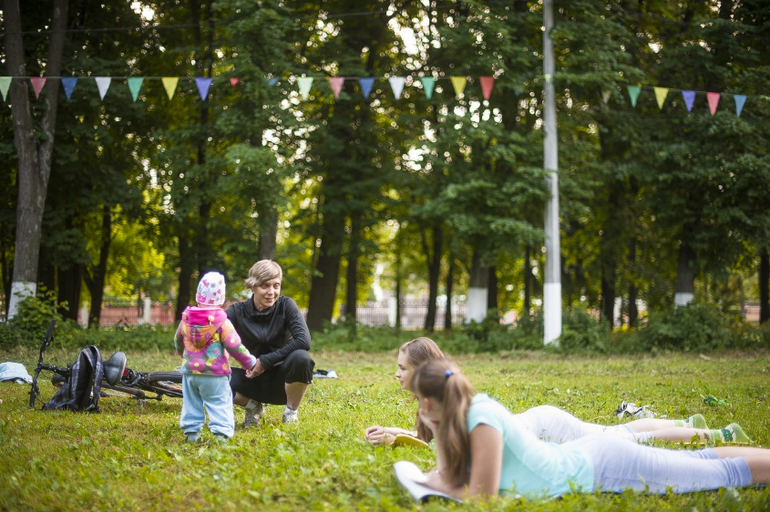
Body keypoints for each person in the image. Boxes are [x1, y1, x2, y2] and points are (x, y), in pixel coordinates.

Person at [411, 358, 770, 501]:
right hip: (592, 457)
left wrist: (427, 483)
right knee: (707, 462)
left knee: (719, 472)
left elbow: (481, 497)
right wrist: (433, 431)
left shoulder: (482, 419)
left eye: (418, 403)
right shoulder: (471, 412)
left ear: (427, 402)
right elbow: (450, 473)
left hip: (605, 465)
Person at [365, 337, 749, 446]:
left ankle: (717, 434)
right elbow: (428, 441)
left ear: (420, 369)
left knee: (626, 437)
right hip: (539, 422)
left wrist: (397, 440)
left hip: (548, 429)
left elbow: (443, 449)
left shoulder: (445, 398)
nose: (395, 374)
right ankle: (686, 421)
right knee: (620, 433)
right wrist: (393, 432)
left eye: (401, 368)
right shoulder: (434, 399)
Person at [226, 259, 314, 426]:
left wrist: (265, 361)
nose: (271, 292)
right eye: (265, 286)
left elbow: (304, 340)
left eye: (276, 285)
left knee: (302, 358)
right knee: (213, 375)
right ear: (252, 286)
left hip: (284, 380)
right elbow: (214, 332)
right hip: (251, 378)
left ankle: (291, 412)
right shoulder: (237, 312)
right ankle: (253, 407)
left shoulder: (286, 305)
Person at [174, 271, 258, 443]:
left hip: (190, 373)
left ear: (198, 298)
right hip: (215, 374)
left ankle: (191, 434)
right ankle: (221, 435)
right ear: (221, 301)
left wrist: (180, 351)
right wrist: (249, 362)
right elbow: (234, 345)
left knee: (191, 403)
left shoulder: (186, 319)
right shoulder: (222, 322)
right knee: (219, 403)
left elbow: (178, 339)